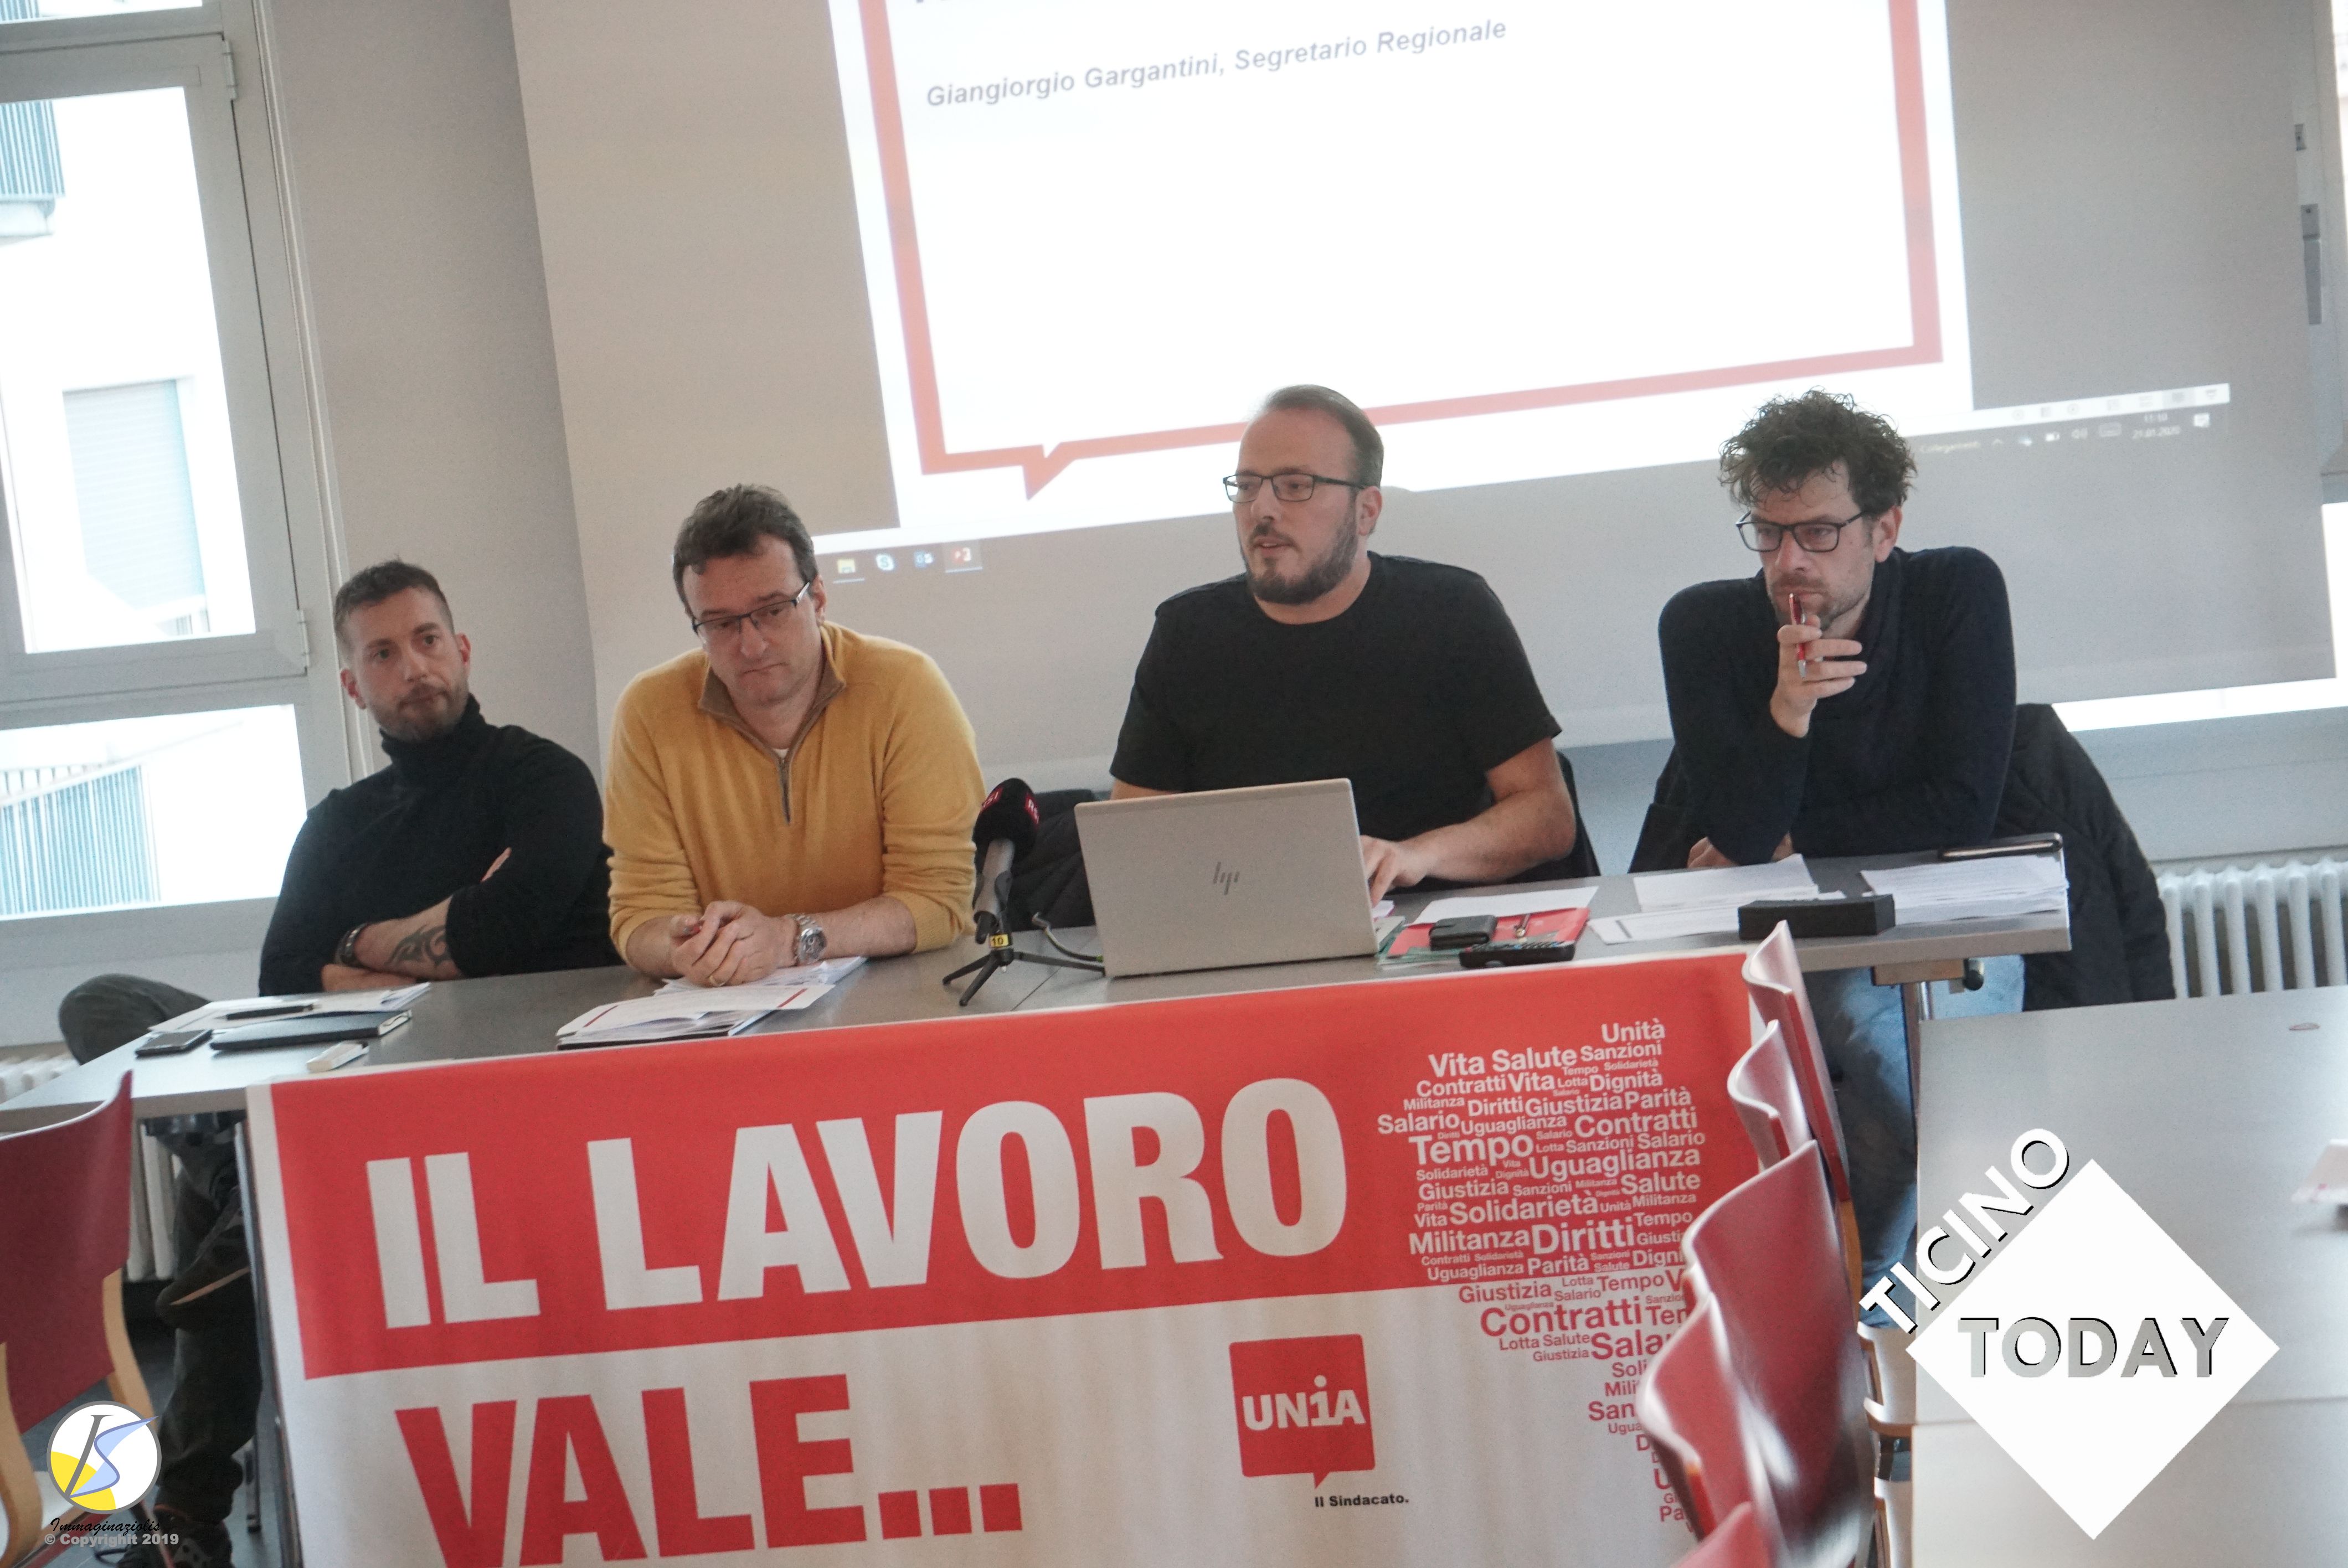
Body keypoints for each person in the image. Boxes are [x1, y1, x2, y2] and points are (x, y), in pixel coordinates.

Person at [63, 559, 620, 1568]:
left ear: (463, 648)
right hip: (328, 1074)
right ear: (355, 684)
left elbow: (504, 934)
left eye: (427, 640)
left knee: (236, 1176)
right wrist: (427, 940)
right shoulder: (337, 822)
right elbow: (281, 973)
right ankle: (244, 1185)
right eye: (383, 653)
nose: (414, 667)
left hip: (470, 1093)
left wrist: (355, 944)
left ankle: (186, 1510)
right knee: (102, 1002)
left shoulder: (543, 779)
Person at [1655, 388, 2020, 1313]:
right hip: (1795, 936)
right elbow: (1743, 834)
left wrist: (1801, 835)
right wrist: (1789, 709)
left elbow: (1964, 807)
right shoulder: (1703, 626)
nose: (1790, 561)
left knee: (1910, 1080)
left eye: (1819, 533)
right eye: (1769, 533)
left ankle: (1897, 1323)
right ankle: (1880, 1331)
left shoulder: (1955, 592)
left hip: (1946, 919)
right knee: (1838, 1066)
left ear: (1883, 529)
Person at [1109, 384, 1577, 900]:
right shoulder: (1189, 633)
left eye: (1295, 485)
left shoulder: (1451, 611)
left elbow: (1547, 816)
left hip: (1427, 915)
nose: (1262, 509)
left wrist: (1416, 856)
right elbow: (1129, 841)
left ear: (1366, 511)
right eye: (1246, 485)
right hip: (1254, 922)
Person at [604, 484, 984, 983]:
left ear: (818, 599)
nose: (752, 645)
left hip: (906, 989)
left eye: (773, 610)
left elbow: (938, 901)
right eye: (721, 624)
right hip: (729, 1006)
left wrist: (788, 940)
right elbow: (640, 916)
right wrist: (682, 949)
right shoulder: (650, 712)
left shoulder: (905, 688)